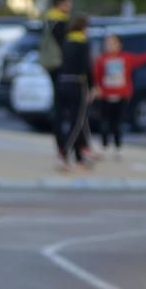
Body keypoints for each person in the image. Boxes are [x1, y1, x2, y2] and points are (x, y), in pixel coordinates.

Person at [92, 34, 146, 159]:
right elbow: (96, 76)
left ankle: (118, 148)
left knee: (117, 123)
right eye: (108, 43)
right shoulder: (101, 59)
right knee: (105, 122)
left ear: (119, 44)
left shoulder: (126, 57)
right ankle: (104, 146)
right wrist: (96, 88)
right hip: (106, 96)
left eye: (113, 43)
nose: (110, 46)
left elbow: (142, 58)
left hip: (122, 95)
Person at [56, 14, 95, 171]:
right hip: (77, 83)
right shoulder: (83, 42)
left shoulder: (65, 41)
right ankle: (64, 154)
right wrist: (93, 86)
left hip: (62, 82)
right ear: (84, 27)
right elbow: (87, 65)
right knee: (77, 121)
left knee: (76, 119)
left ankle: (80, 156)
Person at [41, 0, 74, 168]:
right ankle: (64, 148)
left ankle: (63, 147)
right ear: (60, 3)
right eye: (68, 3)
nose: (70, 6)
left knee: (59, 107)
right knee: (63, 108)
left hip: (51, 66)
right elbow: (65, 46)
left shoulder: (47, 19)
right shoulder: (60, 22)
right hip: (60, 67)